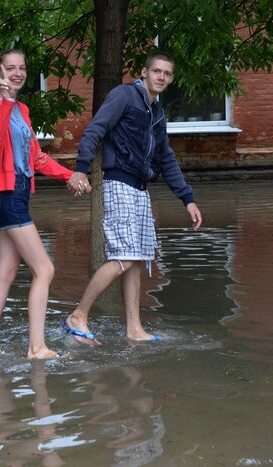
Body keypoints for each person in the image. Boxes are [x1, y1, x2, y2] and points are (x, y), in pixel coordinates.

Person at [64, 51, 202, 344]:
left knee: (138, 258)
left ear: (171, 78)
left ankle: (134, 328)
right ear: (144, 72)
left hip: (140, 187)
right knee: (124, 256)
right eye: (156, 71)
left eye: (167, 73)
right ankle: (78, 314)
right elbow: (95, 129)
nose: (161, 77)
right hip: (118, 182)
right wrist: (80, 169)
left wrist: (187, 198)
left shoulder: (158, 112)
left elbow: (165, 157)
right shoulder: (125, 96)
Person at [0, 50, 77, 358]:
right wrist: (4, 99)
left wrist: (69, 176)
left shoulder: (23, 110)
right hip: (6, 195)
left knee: (5, 273)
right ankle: (37, 347)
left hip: (18, 193)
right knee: (45, 269)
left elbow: (36, 157)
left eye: (22, 68)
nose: (17, 73)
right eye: (10, 68)